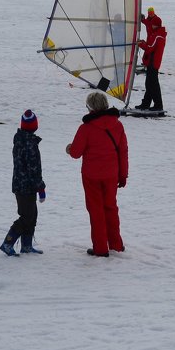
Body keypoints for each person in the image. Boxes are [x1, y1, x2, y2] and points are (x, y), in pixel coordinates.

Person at [66, 92, 129, 257]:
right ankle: (116, 244)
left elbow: (75, 153)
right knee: (111, 208)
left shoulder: (86, 128)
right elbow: (123, 152)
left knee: (96, 211)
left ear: (90, 108)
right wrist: (123, 175)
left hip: (91, 176)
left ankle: (100, 247)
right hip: (111, 175)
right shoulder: (118, 125)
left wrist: (69, 148)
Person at [1, 109, 46, 256]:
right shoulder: (30, 144)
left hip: (20, 184)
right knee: (26, 216)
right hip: (26, 186)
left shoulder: (20, 140)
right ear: (35, 126)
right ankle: (8, 243)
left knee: (32, 215)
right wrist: (41, 188)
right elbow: (34, 169)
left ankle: (26, 245)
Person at [136, 16, 167, 111]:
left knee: (153, 85)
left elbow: (150, 47)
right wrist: (143, 42)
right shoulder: (157, 33)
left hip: (153, 64)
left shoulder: (158, 35)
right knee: (149, 84)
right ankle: (146, 104)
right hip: (152, 63)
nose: (151, 25)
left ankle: (158, 105)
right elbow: (150, 44)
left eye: (153, 24)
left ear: (156, 25)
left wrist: (141, 44)